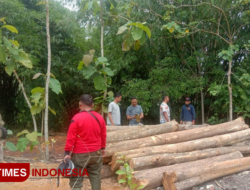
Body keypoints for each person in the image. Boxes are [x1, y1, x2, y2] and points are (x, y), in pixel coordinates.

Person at [64, 94, 107, 190]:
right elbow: (103, 135)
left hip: (80, 154)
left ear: (80, 104)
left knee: (76, 179)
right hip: (96, 153)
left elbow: (71, 137)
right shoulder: (100, 117)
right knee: (95, 176)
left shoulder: (76, 118)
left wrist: (67, 153)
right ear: (92, 105)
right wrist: (103, 148)